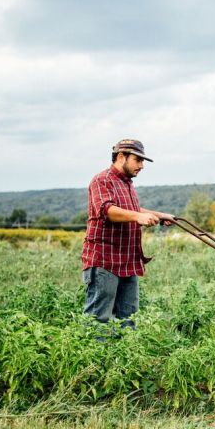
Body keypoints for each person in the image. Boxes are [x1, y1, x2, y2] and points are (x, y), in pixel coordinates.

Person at [81, 139, 174, 329]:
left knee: (128, 318)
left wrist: (160, 215)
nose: (141, 166)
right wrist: (138, 217)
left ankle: (125, 356)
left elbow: (133, 209)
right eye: (138, 160)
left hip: (127, 261)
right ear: (121, 156)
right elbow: (107, 210)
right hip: (105, 261)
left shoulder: (127, 183)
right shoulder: (102, 180)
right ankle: (94, 358)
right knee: (98, 319)